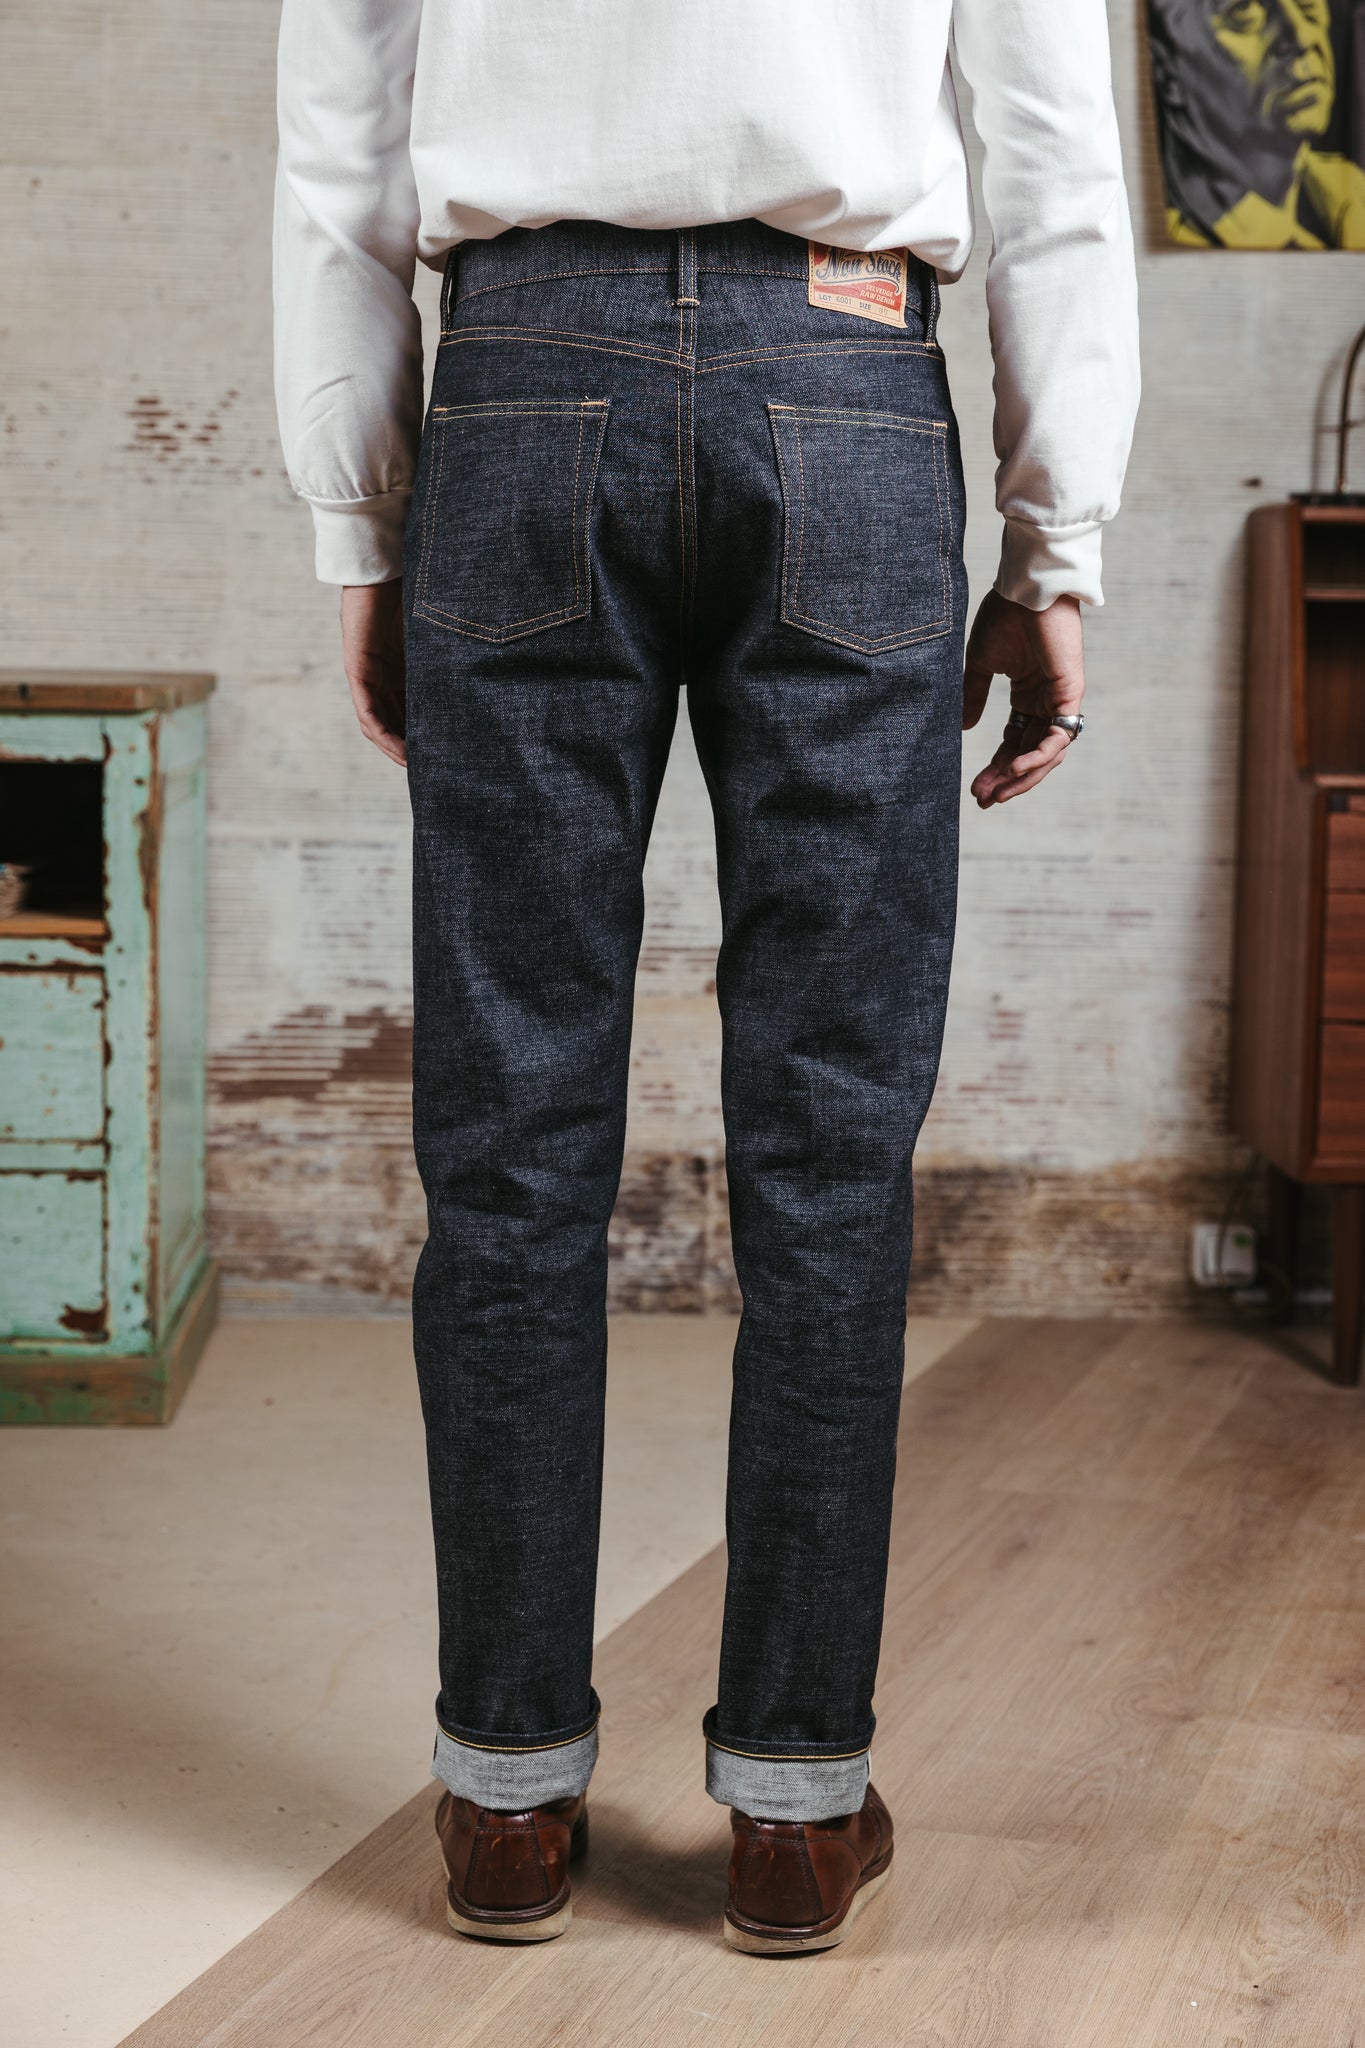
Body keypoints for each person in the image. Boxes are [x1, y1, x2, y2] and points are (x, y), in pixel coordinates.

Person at [273, 0, 1139, 1955]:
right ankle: (794, 1815)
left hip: (519, 391)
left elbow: (340, 130)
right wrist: (1054, 542)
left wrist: (358, 517)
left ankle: (506, 1793)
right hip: (843, 379)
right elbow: (1052, 152)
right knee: (831, 1142)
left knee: (507, 1136)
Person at [1150, 0, 1365, 246]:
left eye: (1307, 3)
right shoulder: (1175, 239)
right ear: (1167, 73)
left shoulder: (1351, 192)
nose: (1303, 38)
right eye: (1243, 10)